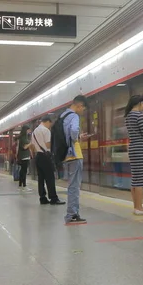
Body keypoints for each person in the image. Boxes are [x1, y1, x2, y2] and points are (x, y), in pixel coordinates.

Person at [62, 95, 89, 224]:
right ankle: (72, 215)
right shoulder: (74, 116)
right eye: (83, 108)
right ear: (79, 105)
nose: (82, 111)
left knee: (71, 185)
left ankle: (72, 213)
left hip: (66, 155)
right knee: (74, 186)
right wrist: (77, 137)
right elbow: (73, 131)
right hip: (74, 154)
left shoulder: (63, 116)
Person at [125, 94, 143, 216]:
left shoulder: (128, 116)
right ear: (141, 103)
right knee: (140, 180)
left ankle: (136, 206)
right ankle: (139, 207)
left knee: (135, 179)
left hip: (133, 148)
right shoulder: (138, 115)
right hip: (140, 149)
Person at [32, 115, 65, 205]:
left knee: (41, 178)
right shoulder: (46, 130)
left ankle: (42, 198)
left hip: (38, 156)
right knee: (50, 178)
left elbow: (33, 146)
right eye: (50, 124)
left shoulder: (34, 132)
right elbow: (47, 145)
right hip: (45, 156)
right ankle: (53, 198)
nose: (50, 126)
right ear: (48, 122)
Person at [17, 126, 33, 191]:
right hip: (24, 156)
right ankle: (24, 185)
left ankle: (21, 185)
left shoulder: (23, 137)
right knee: (24, 171)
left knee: (22, 171)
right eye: (28, 130)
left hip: (24, 156)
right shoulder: (23, 138)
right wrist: (31, 143)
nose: (29, 131)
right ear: (25, 130)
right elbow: (25, 147)